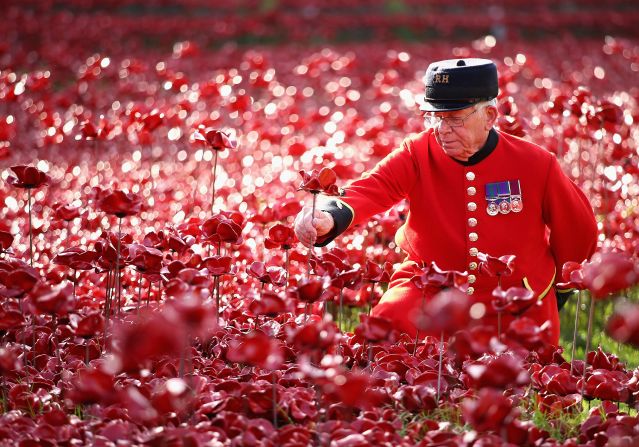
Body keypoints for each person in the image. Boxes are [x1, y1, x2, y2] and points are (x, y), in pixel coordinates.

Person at [294, 58, 598, 345]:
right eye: (435, 118)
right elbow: (374, 187)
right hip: (431, 288)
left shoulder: (536, 163)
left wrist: (559, 288)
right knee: (384, 330)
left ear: (489, 116)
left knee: (525, 374)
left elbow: (577, 229)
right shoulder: (417, 151)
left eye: (454, 119)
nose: (441, 131)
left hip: (516, 296)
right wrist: (327, 215)